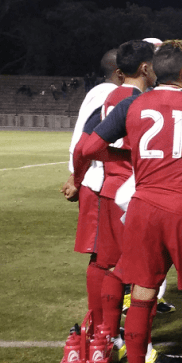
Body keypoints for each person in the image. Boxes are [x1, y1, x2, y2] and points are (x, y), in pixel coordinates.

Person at [75, 40, 182, 363]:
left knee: (143, 291)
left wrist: (135, 158)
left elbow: (89, 149)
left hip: (143, 207)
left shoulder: (131, 103)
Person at [62, 48, 124, 347]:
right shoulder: (108, 95)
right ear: (120, 72)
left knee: (107, 258)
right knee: (103, 259)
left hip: (98, 180)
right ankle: (103, 329)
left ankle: (105, 326)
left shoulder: (101, 91)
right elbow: (86, 144)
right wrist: (77, 177)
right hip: (100, 182)